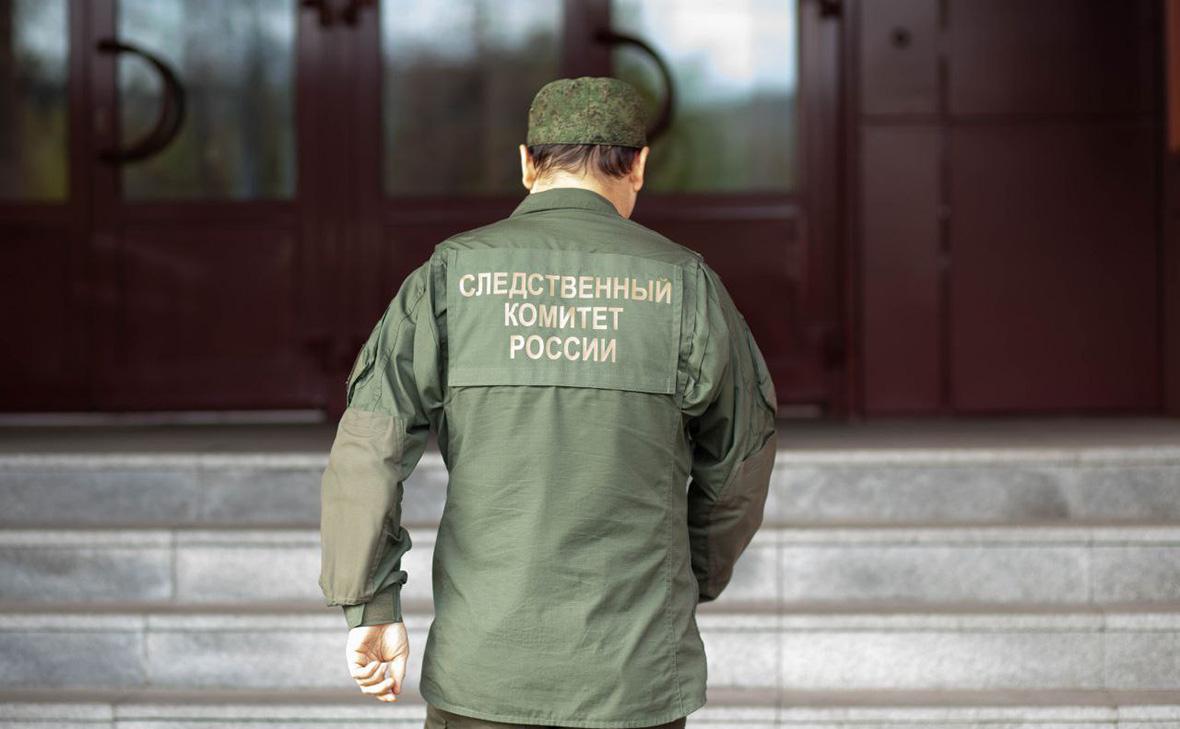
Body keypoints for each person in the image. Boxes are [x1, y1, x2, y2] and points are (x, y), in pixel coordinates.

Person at [319, 76, 778, 729]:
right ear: (639, 166)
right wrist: (690, 574)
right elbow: (741, 460)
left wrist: (371, 604)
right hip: (633, 673)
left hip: (483, 671)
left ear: (527, 163)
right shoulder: (687, 284)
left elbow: (368, 448)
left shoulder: (450, 276)